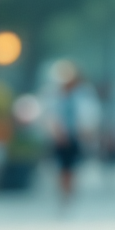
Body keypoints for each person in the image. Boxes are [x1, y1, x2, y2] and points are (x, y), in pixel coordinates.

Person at [47, 62, 92, 209]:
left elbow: (87, 114)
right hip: (60, 137)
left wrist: (85, 131)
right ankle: (64, 192)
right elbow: (50, 115)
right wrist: (56, 132)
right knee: (61, 167)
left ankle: (70, 191)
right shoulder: (54, 95)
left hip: (75, 135)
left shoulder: (82, 94)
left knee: (72, 166)